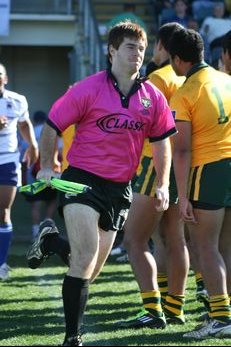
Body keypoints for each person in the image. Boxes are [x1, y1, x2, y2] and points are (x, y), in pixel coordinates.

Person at [26, 21, 177, 346]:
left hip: (119, 188)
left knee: (89, 269)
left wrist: (163, 183)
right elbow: (53, 125)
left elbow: (162, 142)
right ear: (112, 51)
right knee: (84, 257)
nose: (138, 54)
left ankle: (51, 242)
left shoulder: (153, 97)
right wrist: (49, 166)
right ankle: (72, 338)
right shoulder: (87, 88)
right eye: (130, 47)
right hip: (81, 180)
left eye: (142, 48)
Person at [115, 22, 190, 330]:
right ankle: (175, 307)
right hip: (179, 167)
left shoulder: (157, 78)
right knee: (174, 239)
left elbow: (141, 123)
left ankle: (153, 309)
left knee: (134, 239)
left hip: (154, 164)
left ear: (161, 47)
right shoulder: (181, 77)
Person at [168, 27, 231, 339]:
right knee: (225, 248)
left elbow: (181, 149)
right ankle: (226, 315)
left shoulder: (185, 92)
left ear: (178, 60)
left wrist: (182, 195)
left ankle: (220, 318)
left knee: (206, 246)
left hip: (208, 170)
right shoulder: (227, 79)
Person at [0, 63, 38, 280]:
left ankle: (1, 262)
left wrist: (32, 144)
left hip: (7, 160)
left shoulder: (16, 100)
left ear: (5, 78)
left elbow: (24, 124)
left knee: (3, 211)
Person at [20, 110, 62, 241]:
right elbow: (61, 152)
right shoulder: (51, 132)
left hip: (33, 174)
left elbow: (22, 157)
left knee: (36, 204)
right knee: (52, 200)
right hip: (51, 171)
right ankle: (47, 228)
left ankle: (35, 233)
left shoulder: (27, 134)